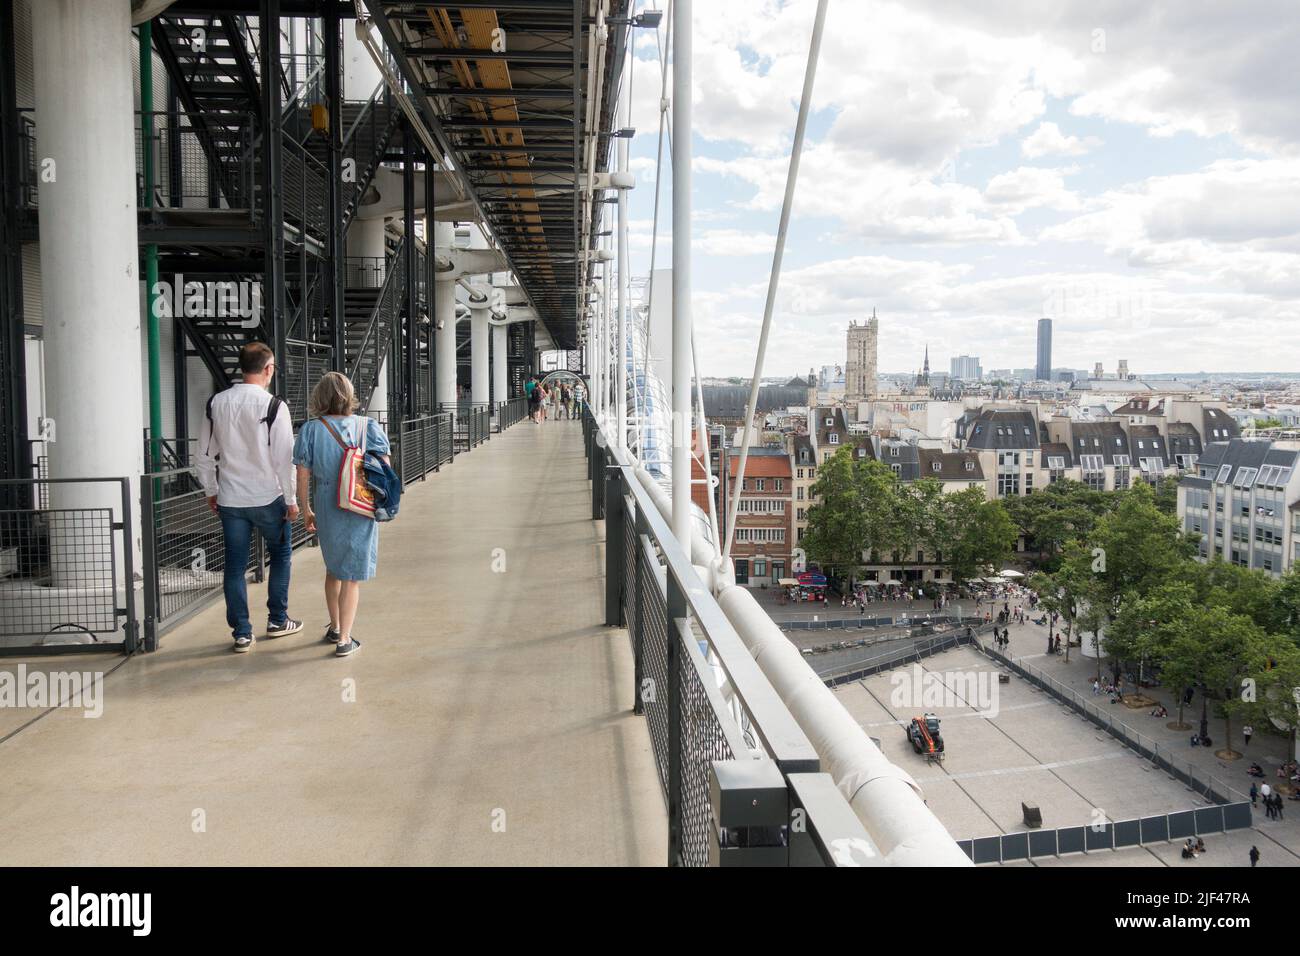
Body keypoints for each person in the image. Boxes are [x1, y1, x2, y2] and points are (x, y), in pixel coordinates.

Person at [196, 342, 302, 652]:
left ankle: (242, 632)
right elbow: (285, 459)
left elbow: (203, 455)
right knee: (281, 555)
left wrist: (211, 491)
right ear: (268, 369)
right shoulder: (274, 406)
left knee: (234, 566)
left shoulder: (216, 403)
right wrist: (292, 499)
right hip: (270, 497)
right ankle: (278, 620)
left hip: (231, 499)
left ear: (242, 367)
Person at [293, 372, 391, 658]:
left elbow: (302, 473)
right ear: (348, 396)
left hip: (326, 501)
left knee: (333, 568)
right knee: (352, 576)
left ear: (319, 397)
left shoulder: (310, 430)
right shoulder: (368, 426)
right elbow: (384, 466)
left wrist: (306, 507)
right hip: (359, 502)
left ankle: (335, 627)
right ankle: (345, 640)